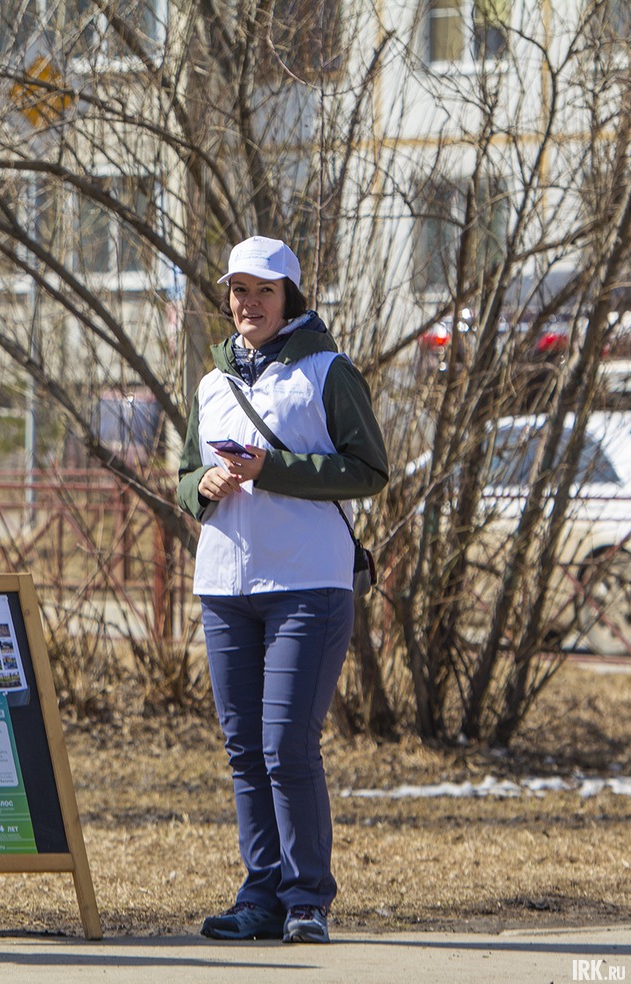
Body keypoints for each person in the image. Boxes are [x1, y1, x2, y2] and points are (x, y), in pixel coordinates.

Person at [175, 236, 389, 945]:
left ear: (289, 298)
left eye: (263, 291)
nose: (248, 304)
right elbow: (183, 476)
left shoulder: (328, 372)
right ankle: (258, 896)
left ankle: (305, 900)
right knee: (242, 750)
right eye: (237, 291)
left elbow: (367, 471)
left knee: (285, 747)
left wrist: (271, 469)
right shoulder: (210, 384)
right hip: (225, 585)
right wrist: (198, 486)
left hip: (308, 583)